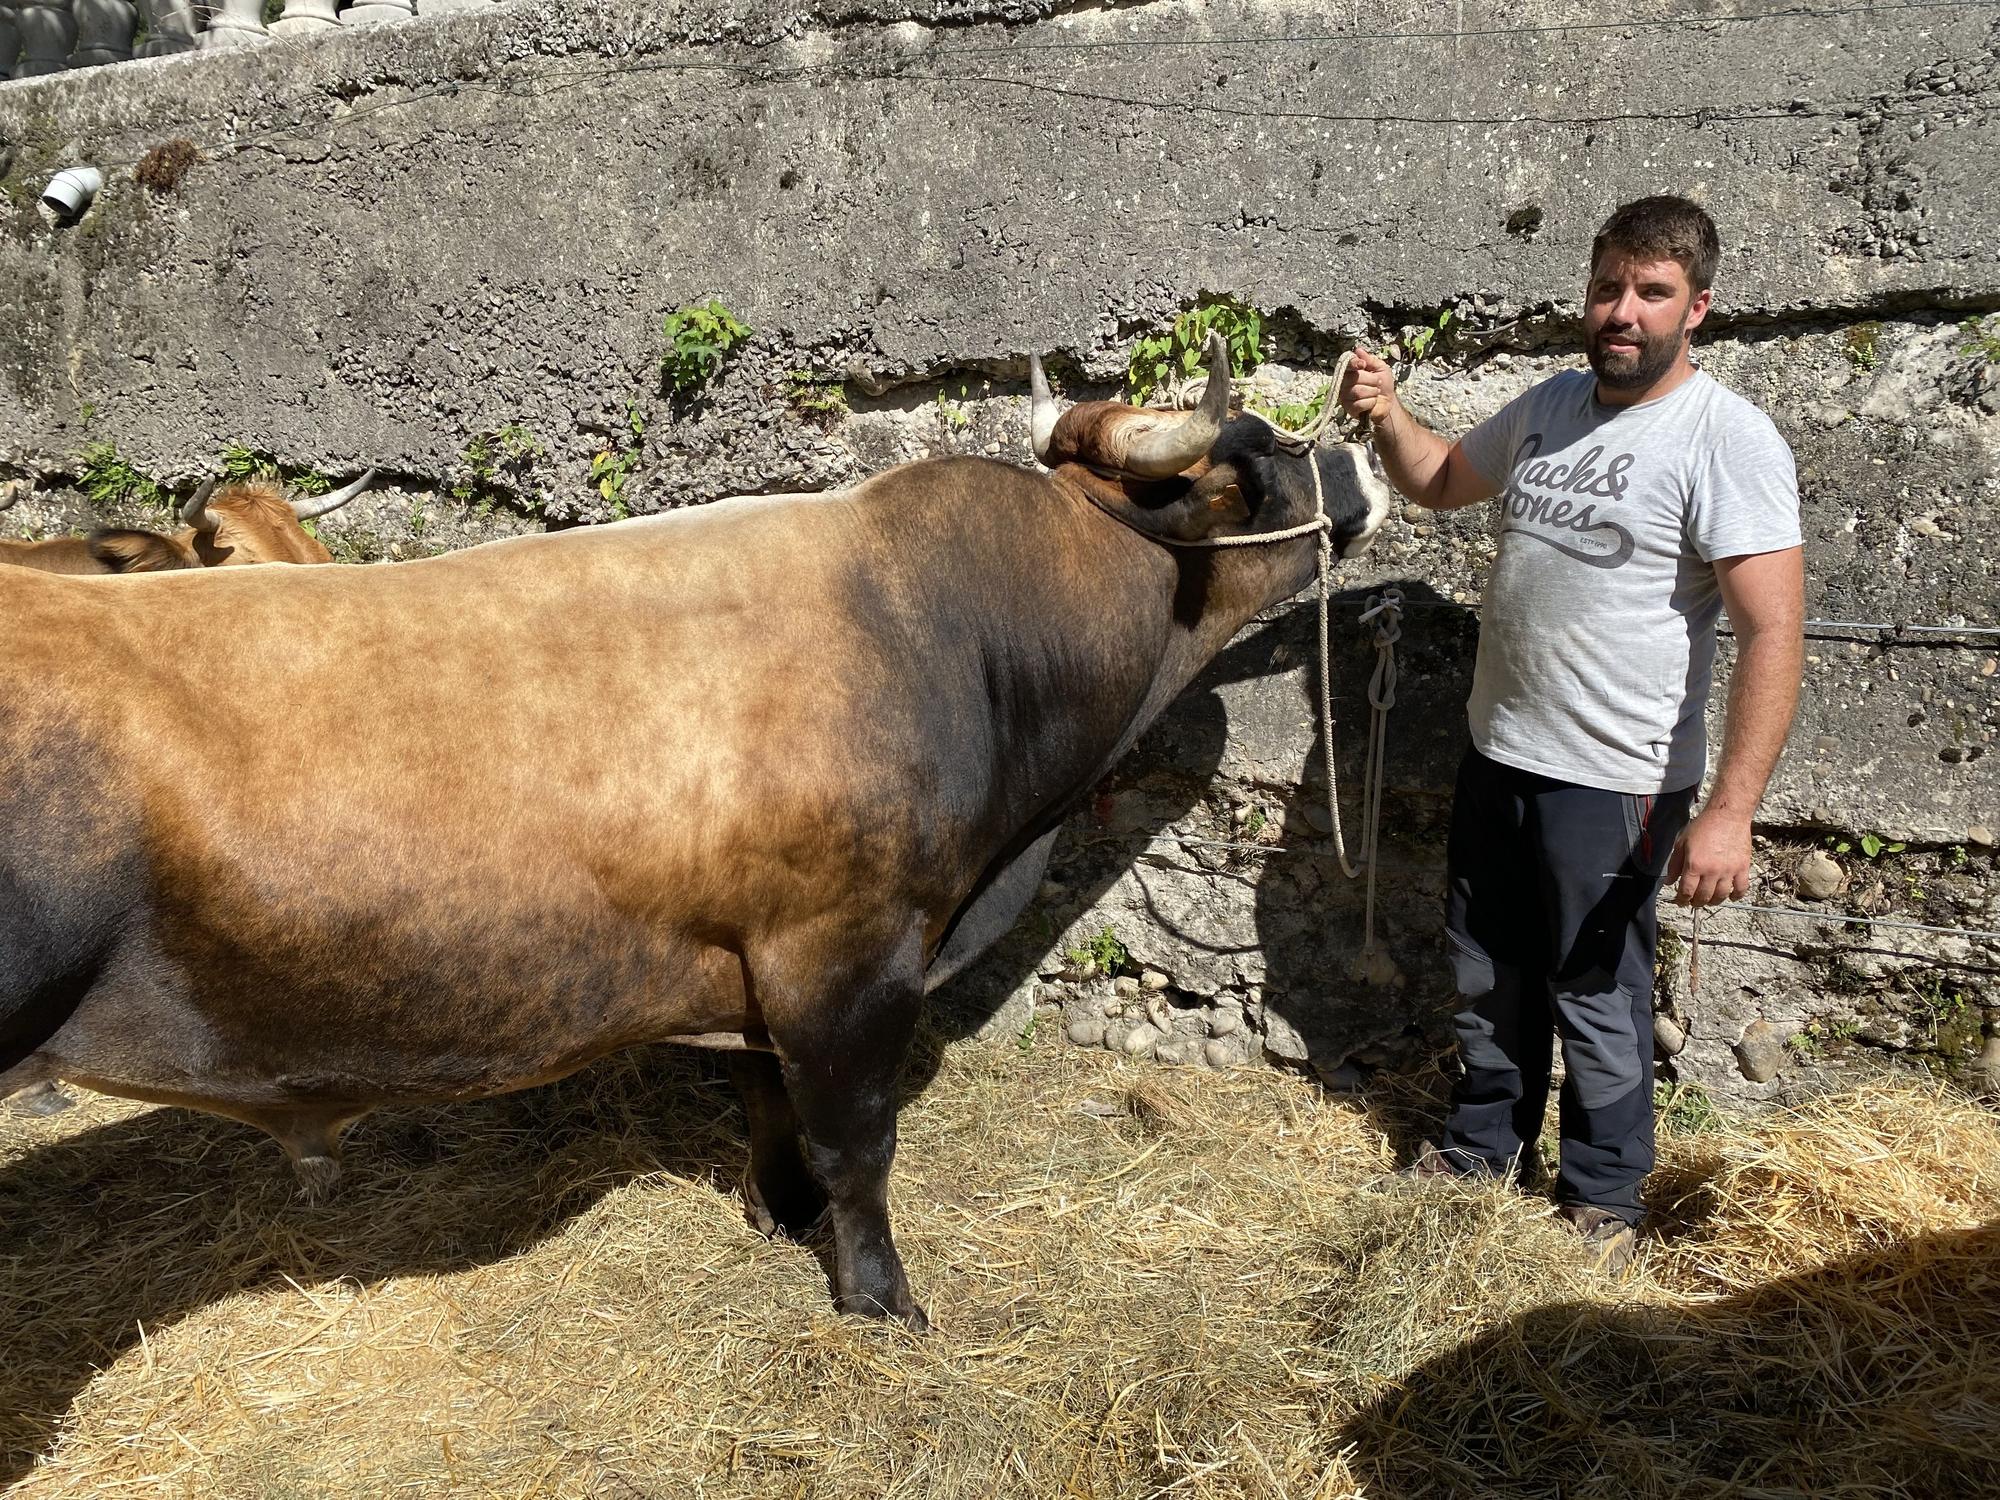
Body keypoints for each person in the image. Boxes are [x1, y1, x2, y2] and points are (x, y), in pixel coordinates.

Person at [1338, 195, 1805, 1271]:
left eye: (1650, 293)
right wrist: (1385, 413)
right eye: (1607, 288)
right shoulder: (1550, 404)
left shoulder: (1721, 438)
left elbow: (1771, 629)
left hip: (1617, 780)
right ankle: (1479, 1150)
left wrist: (1729, 811)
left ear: (1697, 309)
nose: (1621, 312)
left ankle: (1600, 1199)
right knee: (1485, 972)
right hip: (1498, 751)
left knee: (1596, 994)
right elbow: (1442, 481)